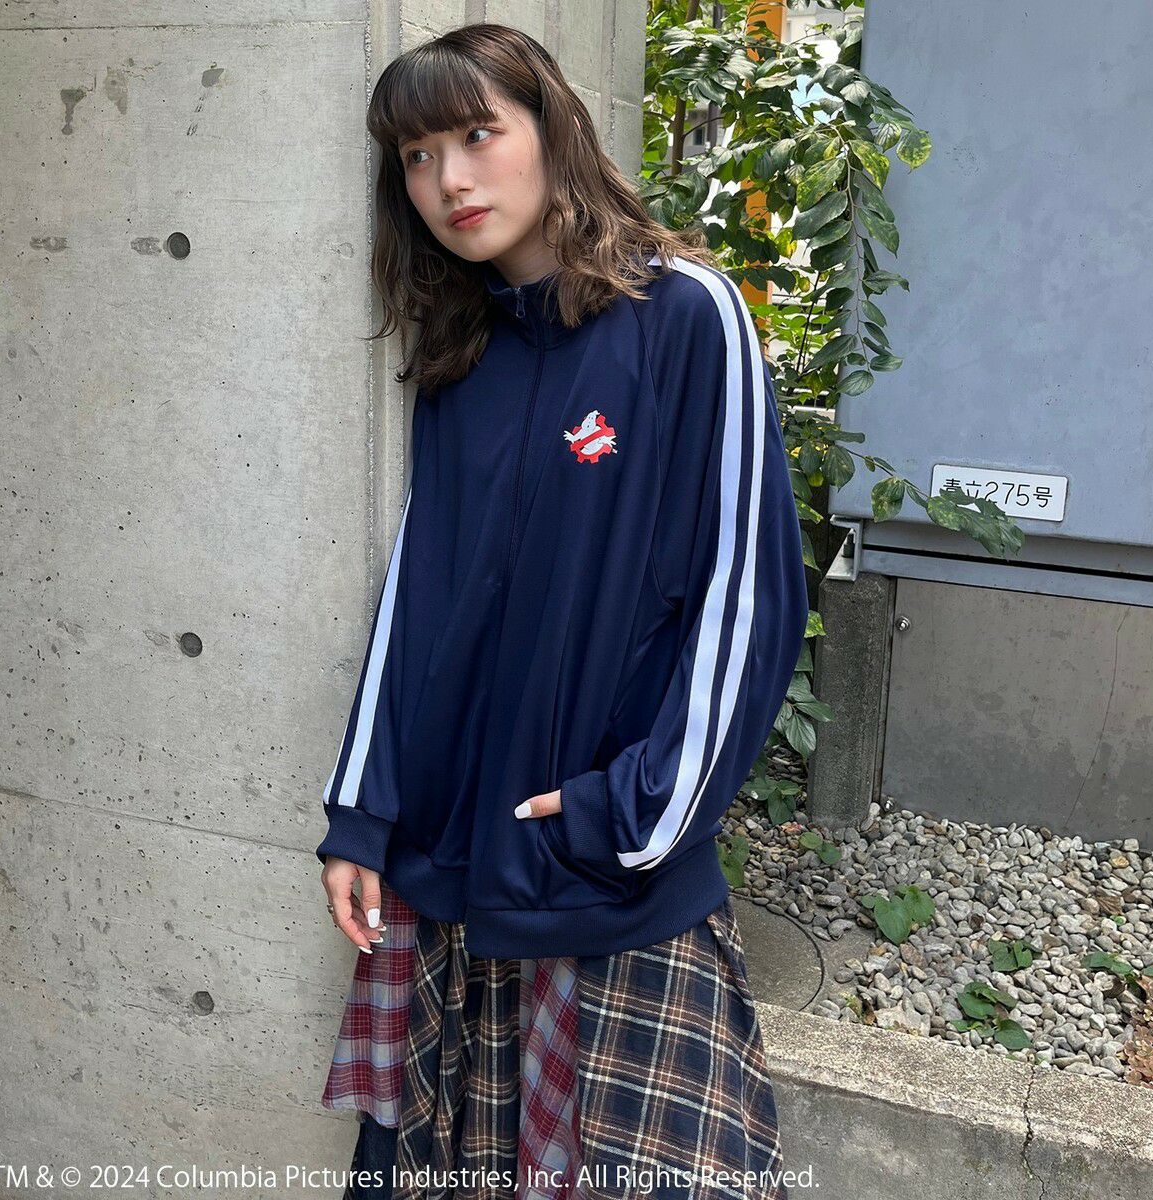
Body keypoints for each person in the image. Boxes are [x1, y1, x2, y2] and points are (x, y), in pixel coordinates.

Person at [315, 21, 808, 1200]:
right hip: (447, 875)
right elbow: (420, 597)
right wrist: (362, 816)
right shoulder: (462, 350)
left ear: (552, 130)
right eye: (417, 157)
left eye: (477, 135)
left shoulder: (685, 314)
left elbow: (747, 597)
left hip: (605, 877)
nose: (449, 179)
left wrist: (628, 813)